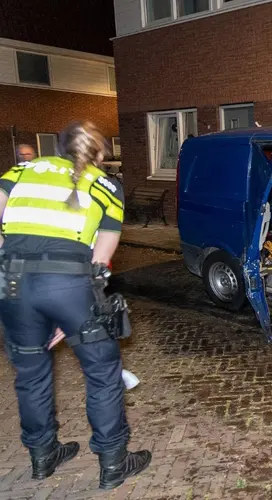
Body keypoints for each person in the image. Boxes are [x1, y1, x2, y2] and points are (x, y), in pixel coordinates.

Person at [0, 121, 151, 489]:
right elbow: (101, 261)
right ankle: (114, 462)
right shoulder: (107, 185)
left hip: (13, 284)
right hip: (69, 284)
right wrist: (70, 311)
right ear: (100, 153)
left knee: (30, 374)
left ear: (58, 146)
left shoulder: (20, 171)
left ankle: (42, 455)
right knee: (102, 372)